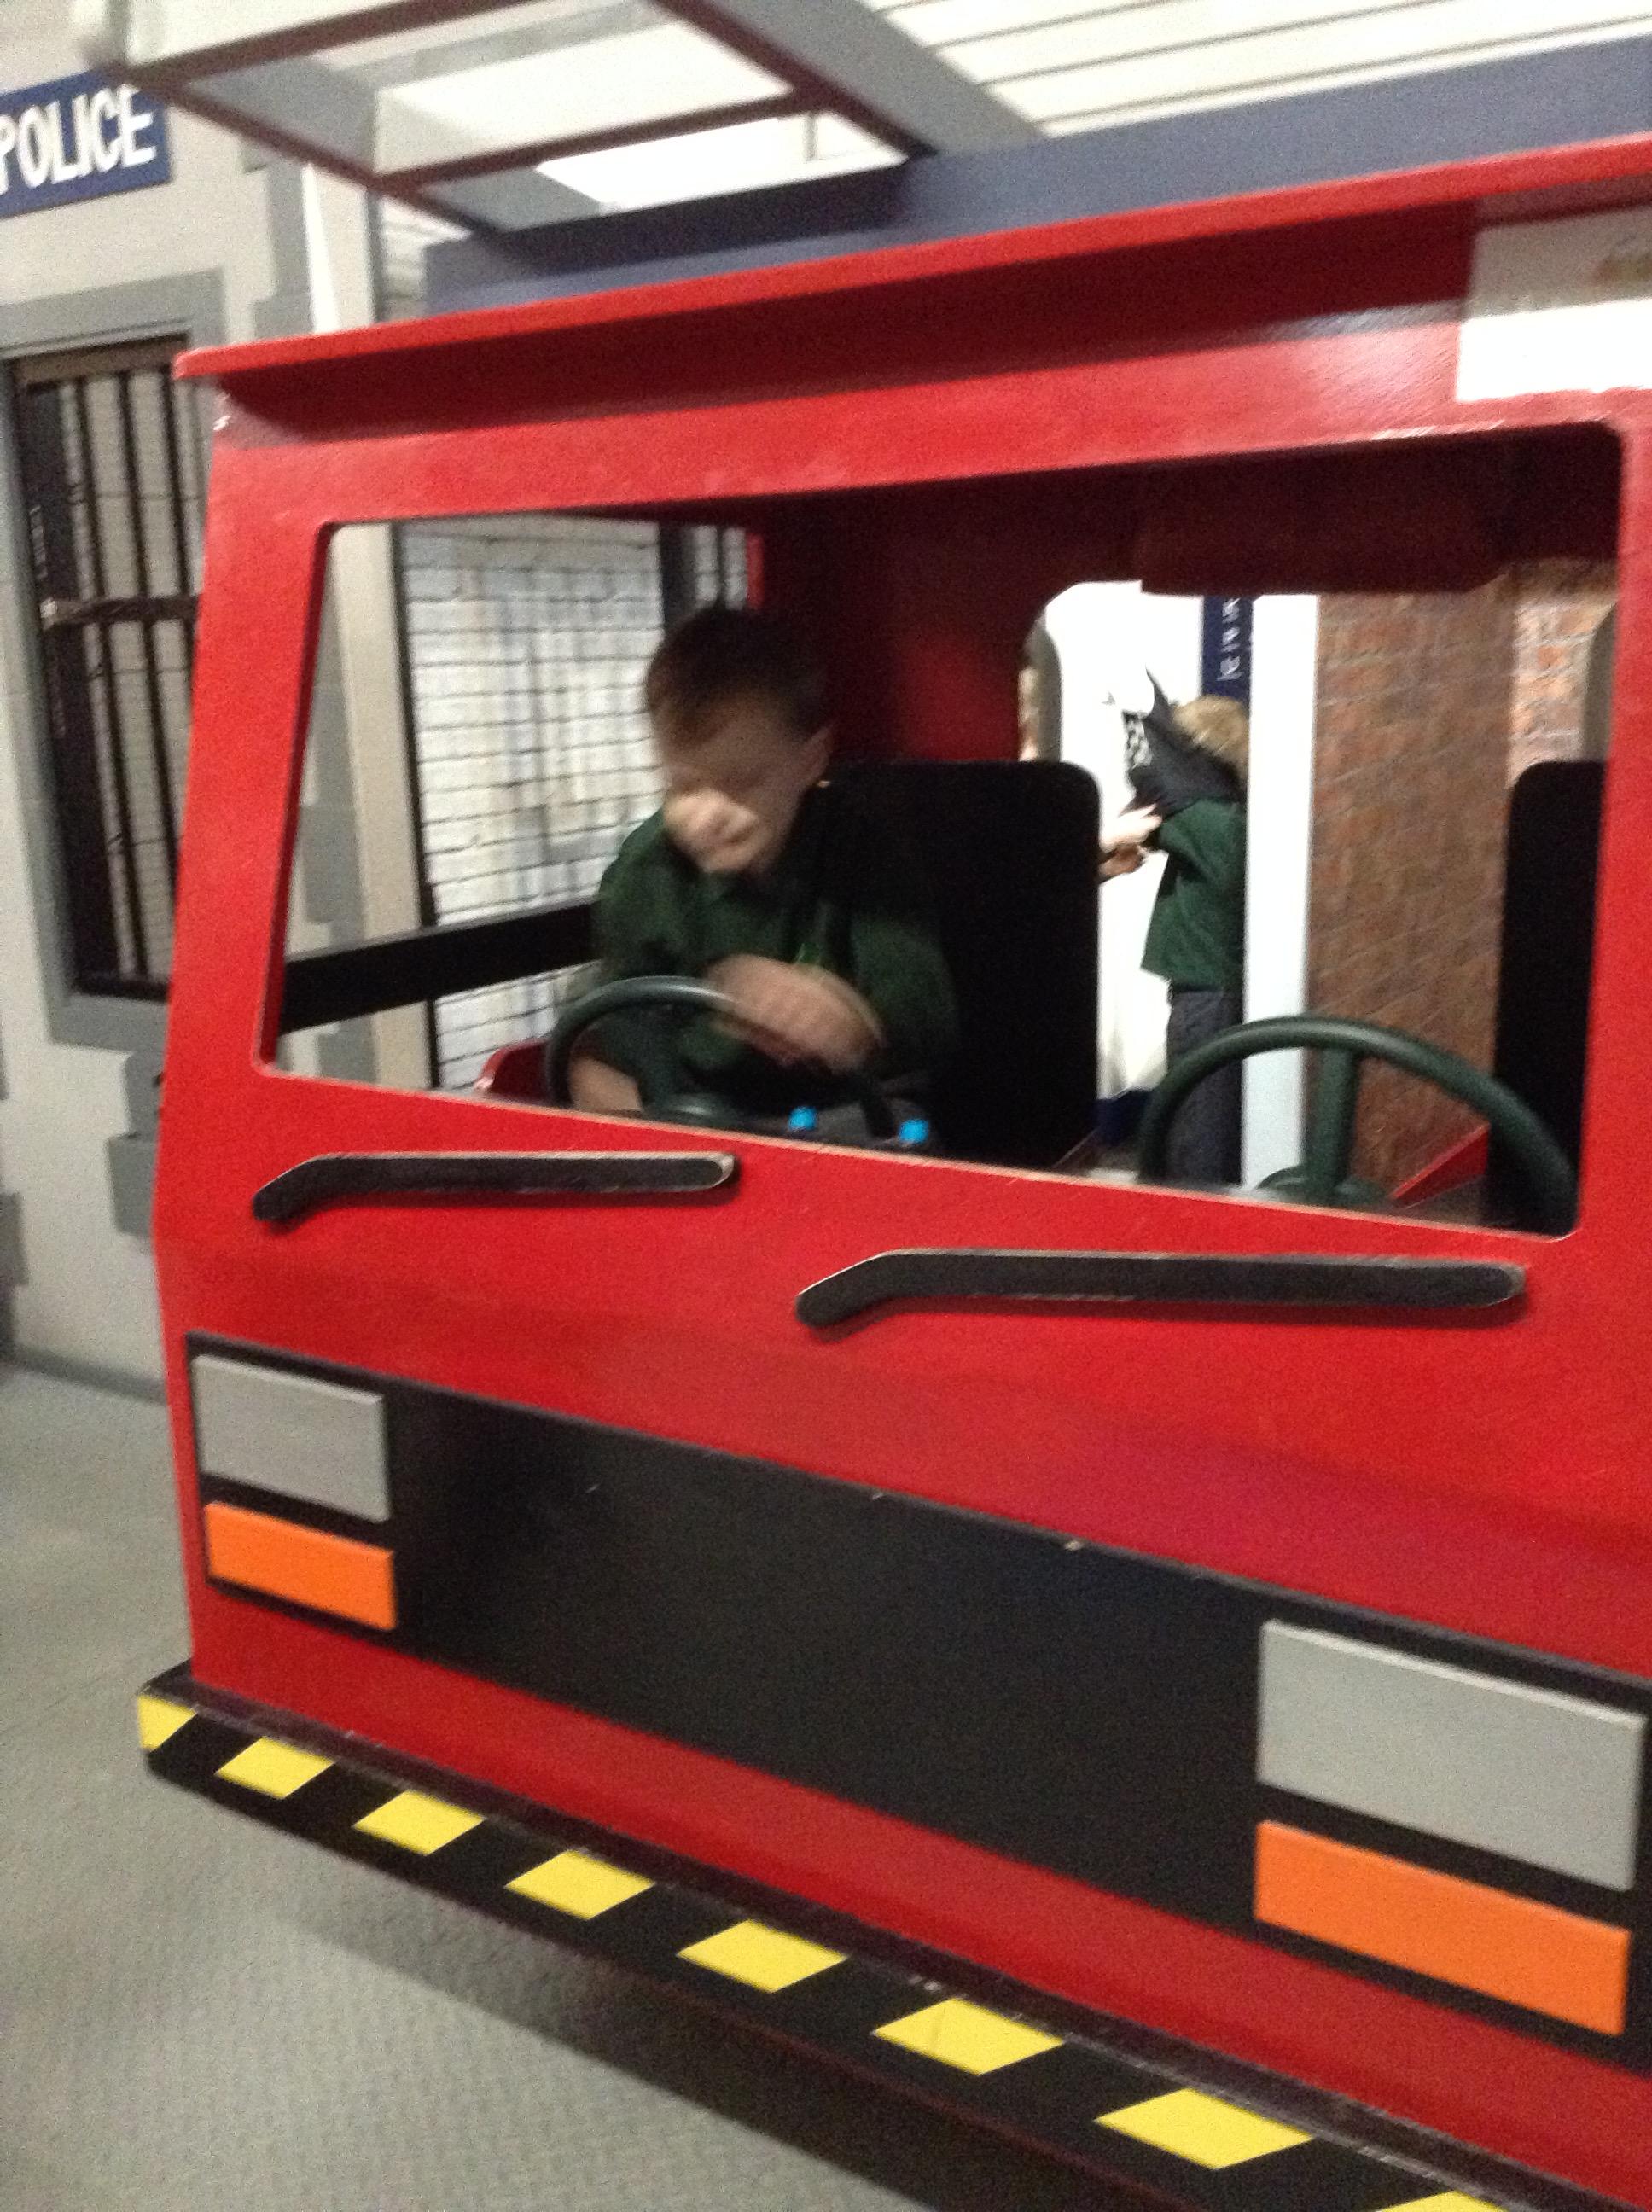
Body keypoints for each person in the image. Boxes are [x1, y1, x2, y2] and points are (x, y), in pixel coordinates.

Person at [569, 605, 957, 1125]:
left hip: (835, 1110)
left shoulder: (864, 853)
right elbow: (620, 1015)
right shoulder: (646, 871)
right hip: (692, 1115)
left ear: (809, 761)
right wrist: (607, 1069)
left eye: (742, 784)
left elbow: (926, 1015)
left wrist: (848, 1018)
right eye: (684, 786)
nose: (708, 815)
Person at [1102, 694, 1248, 1185]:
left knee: (1199, 1119)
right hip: (1211, 989)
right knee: (1201, 1108)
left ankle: (1195, 1208)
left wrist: (1114, 835)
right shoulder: (1229, 815)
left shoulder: (1209, 820)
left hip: (1207, 994)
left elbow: (1150, 808)